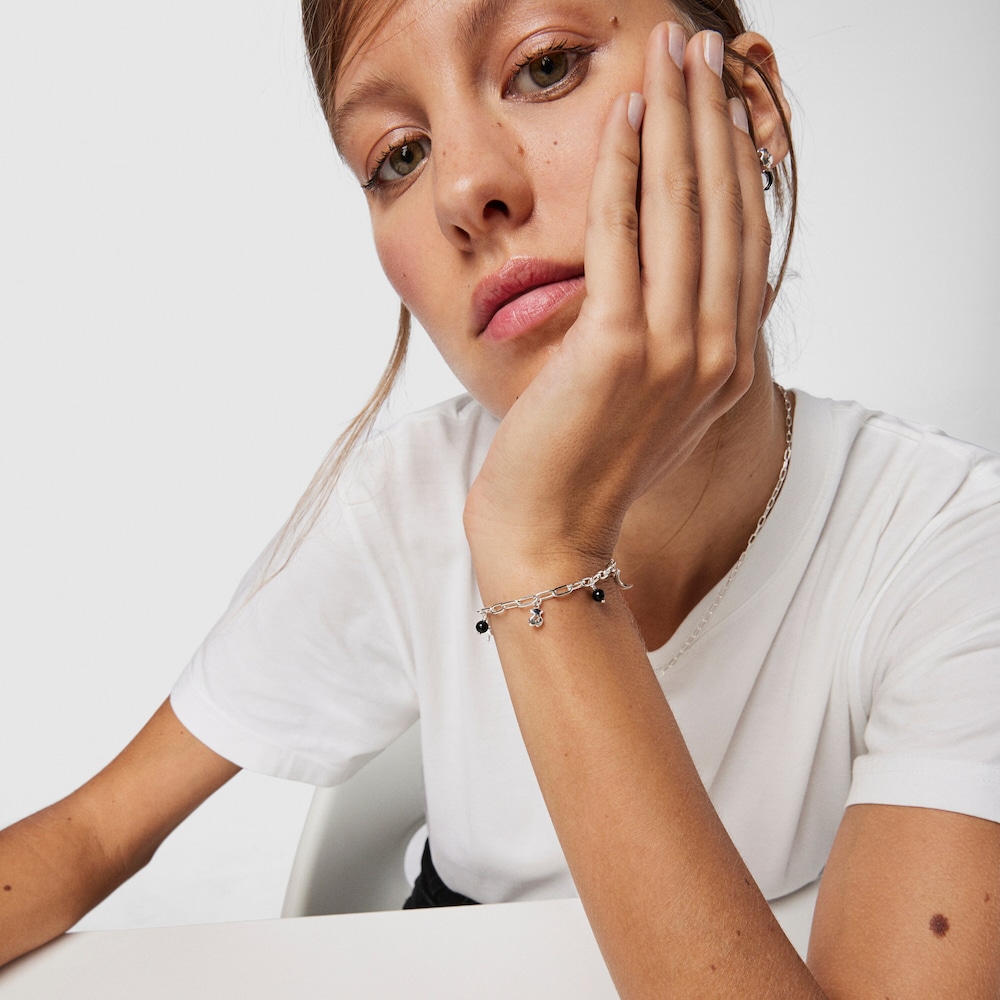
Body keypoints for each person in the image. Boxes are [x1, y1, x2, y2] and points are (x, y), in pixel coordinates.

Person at [1, 0, 998, 997]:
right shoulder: (405, 501)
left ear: (745, 103)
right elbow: (92, 830)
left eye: (547, 65)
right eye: (398, 154)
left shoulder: (949, 547)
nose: (464, 188)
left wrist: (539, 552)